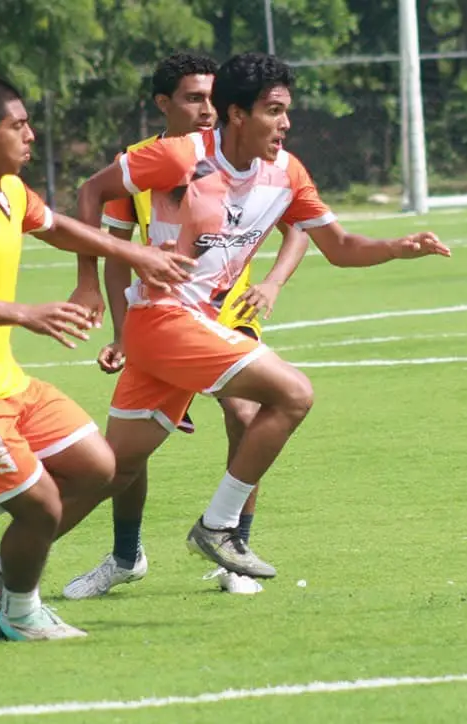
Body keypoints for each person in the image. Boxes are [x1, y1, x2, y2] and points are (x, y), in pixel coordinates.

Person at [73, 52, 450, 582]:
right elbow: (94, 194)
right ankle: (213, 529)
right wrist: (88, 284)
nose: (287, 123)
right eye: (275, 110)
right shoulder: (174, 157)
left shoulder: (287, 172)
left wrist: (396, 246)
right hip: (163, 320)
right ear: (238, 115)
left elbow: (338, 247)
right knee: (292, 393)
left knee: (115, 465)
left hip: (207, 320)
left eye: (286, 110)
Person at [0, 73, 194, 641]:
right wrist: (27, 313)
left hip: (6, 383)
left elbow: (61, 227)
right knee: (41, 508)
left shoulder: (10, 191)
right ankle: (19, 613)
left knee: (100, 468)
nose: (31, 135)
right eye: (18, 125)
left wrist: (132, 252)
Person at [63, 52, 311, 599]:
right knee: (126, 456)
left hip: (225, 311)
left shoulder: (251, 156)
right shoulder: (142, 163)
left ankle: (232, 551)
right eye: (193, 98)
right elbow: (116, 248)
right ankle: (126, 556)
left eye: (212, 98)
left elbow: (301, 224)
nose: (206, 109)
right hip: (162, 314)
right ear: (163, 104)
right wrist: (124, 333)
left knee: (249, 415)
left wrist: (270, 284)